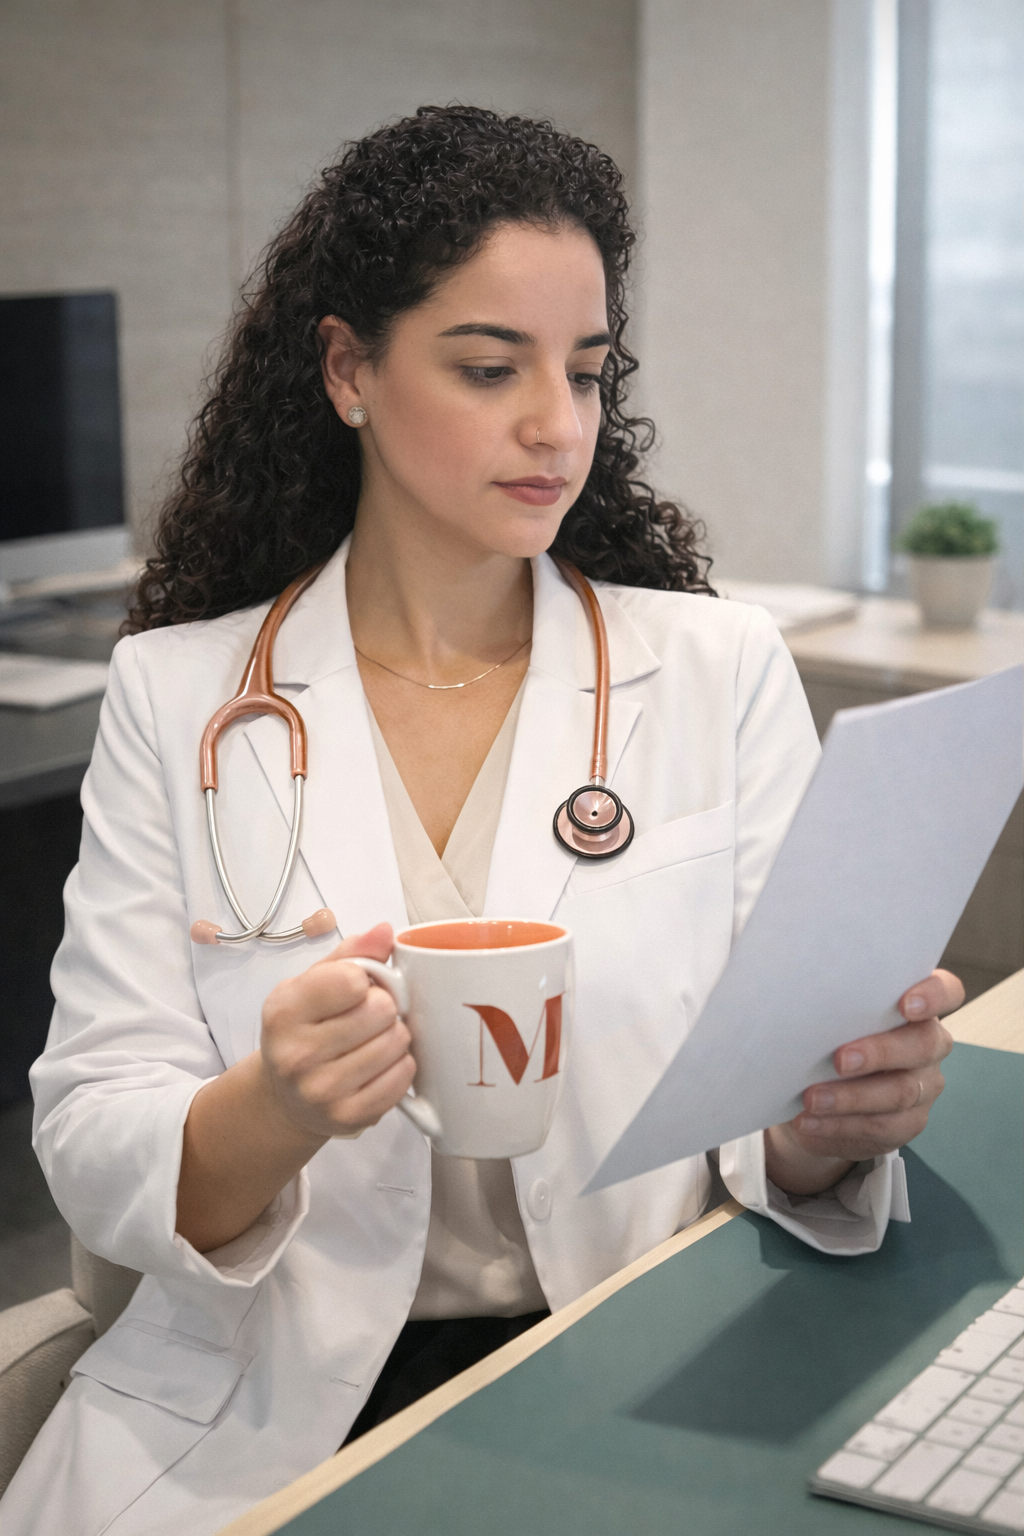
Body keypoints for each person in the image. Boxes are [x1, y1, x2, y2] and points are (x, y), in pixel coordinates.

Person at [1, 106, 959, 1535]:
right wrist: (271, 1112)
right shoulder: (181, 698)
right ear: (347, 370)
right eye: (488, 367)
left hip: (630, 1364)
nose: (554, 425)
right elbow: (90, 1129)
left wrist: (839, 1124)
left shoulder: (714, 668)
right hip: (279, 1407)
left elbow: (766, 1113)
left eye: (585, 372)